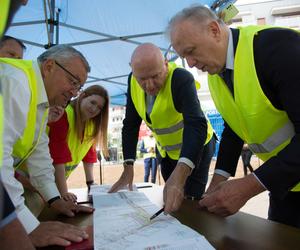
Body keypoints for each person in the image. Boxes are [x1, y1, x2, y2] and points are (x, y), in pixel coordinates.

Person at [168, 5, 300, 228]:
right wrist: (217, 182)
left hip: (278, 177)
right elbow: (234, 127)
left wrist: (250, 185)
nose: (190, 64)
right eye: (183, 57)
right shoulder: (215, 74)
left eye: (191, 51)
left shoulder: (277, 48)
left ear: (214, 30)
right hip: (284, 185)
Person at [0, 44, 95, 247]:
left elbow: (39, 153)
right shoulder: (16, 83)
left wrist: (55, 199)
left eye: (79, 87)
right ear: (49, 66)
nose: (74, 92)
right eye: (73, 81)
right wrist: (29, 227)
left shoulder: (40, 98)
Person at [109, 43, 216, 214]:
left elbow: (196, 124)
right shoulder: (132, 80)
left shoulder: (181, 79)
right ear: (133, 71)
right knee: (171, 199)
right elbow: (130, 124)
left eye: (155, 76)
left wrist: (182, 172)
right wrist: (128, 166)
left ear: (165, 64)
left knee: (190, 201)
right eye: (142, 79)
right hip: (166, 152)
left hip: (196, 148)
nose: (149, 85)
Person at [0, 1, 34, 249]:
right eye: (11, 56)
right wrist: (27, 227)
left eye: (21, 59)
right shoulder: (13, 79)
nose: (17, 64)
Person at [48, 85, 109, 201]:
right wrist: (63, 193)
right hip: (33, 181)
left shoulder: (91, 125)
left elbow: (88, 154)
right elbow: (57, 156)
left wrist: (90, 183)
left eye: (99, 107)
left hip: (52, 182)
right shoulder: (64, 115)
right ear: (82, 96)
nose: (94, 109)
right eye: (92, 102)